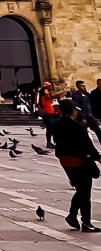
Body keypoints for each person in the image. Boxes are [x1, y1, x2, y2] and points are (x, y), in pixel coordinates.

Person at [54, 98, 101, 232]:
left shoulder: (57, 124)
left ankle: (72, 215)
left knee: (80, 190)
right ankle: (86, 223)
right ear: (74, 111)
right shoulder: (77, 126)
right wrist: (98, 158)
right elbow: (87, 145)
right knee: (85, 193)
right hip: (79, 161)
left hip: (64, 160)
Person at [71, 81, 101, 145]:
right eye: (81, 86)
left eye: (84, 85)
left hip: (90, 116)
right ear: (78, 87)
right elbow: (77, 107)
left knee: (98, 132)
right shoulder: (76, 95)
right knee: (84, 135)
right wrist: (82, 117)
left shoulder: (87, 94)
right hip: (83, 118)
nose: (84, 87)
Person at [40, 82, 59, 149]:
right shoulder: (44, 95)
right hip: (48, 114)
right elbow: (49, 95)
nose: (48, 91)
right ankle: (49, 142)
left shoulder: (48, 96)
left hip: (52, 113)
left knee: (54, 128)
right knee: (50, 128)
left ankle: (54, 141)